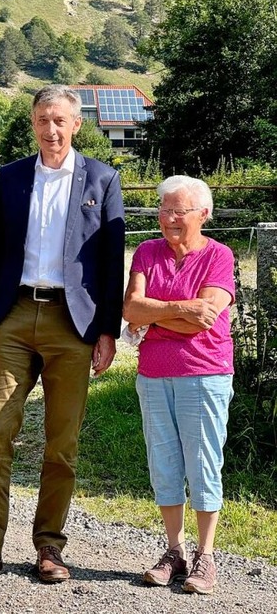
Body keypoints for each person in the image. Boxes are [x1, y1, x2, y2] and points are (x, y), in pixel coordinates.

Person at [0, 85, 125, 583]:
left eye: (60, 120)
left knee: (61, 443)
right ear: (33, 122)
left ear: (76, 124)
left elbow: (111, 261)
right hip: (15, 316)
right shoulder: (12, 177)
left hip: (74, 322)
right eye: (43, 120)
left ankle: (50, 547)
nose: (51, 129)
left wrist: (107, 330)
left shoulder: (103, 180)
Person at [123, 175, 235, 596]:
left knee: (203, 463)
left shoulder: (220, 256)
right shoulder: (148, 252)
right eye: (164, 209)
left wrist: (154, 316)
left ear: (202, 214)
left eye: (179, 211)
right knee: (164, 464)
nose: (168, 218)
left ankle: (206, 555)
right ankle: (175, 551)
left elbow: (206, 316)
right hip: (153, 374)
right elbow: (130, 306)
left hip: (204, 373)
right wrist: (178, 309)